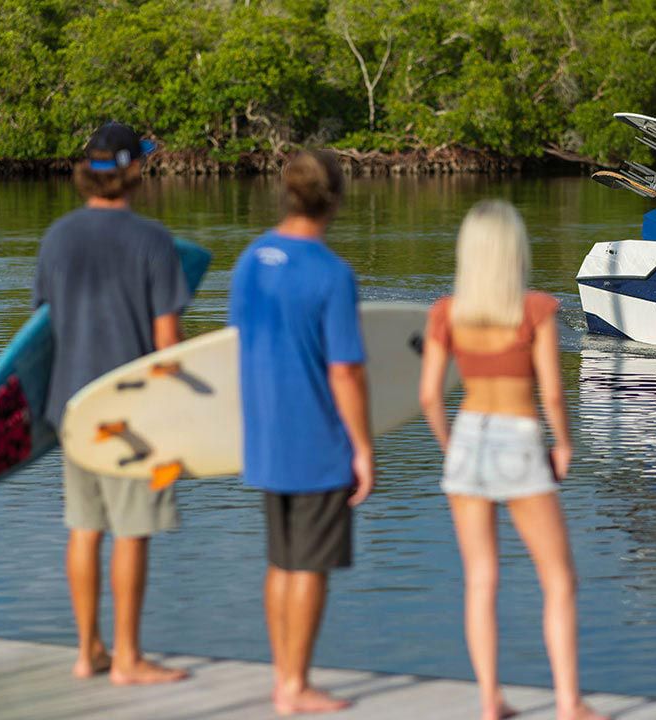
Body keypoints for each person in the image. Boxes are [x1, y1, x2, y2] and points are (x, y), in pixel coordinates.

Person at [419, 200, 607, 720]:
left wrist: (450, 447)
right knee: (558, 579)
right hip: (519, 436)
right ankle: (568, 703)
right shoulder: (536, 310)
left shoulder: (445, 313)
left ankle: (489, 701)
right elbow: (550, 395)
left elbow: (430, 397)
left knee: (481, 579)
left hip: (470, 436)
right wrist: (564, 445)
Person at [33, 121, 191, 685]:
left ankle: (87, 652)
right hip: (133, 415)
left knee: (84, 528)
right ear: (133, 170)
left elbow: (41, 334)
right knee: (130, 532)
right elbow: (167, 343)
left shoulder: (56, 237)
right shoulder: (152, 240)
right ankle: (127, 658)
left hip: (74, 409)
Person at [229, 149, 374, 715]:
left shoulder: (250, 260)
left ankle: (282, 677)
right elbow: (345, 371)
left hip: (265, 434)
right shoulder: (332, 274)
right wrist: (362, 447)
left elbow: (239, 343)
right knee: (309, 565)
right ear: (334, 198)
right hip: (316, 438)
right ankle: (295, 685)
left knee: (281, 561)